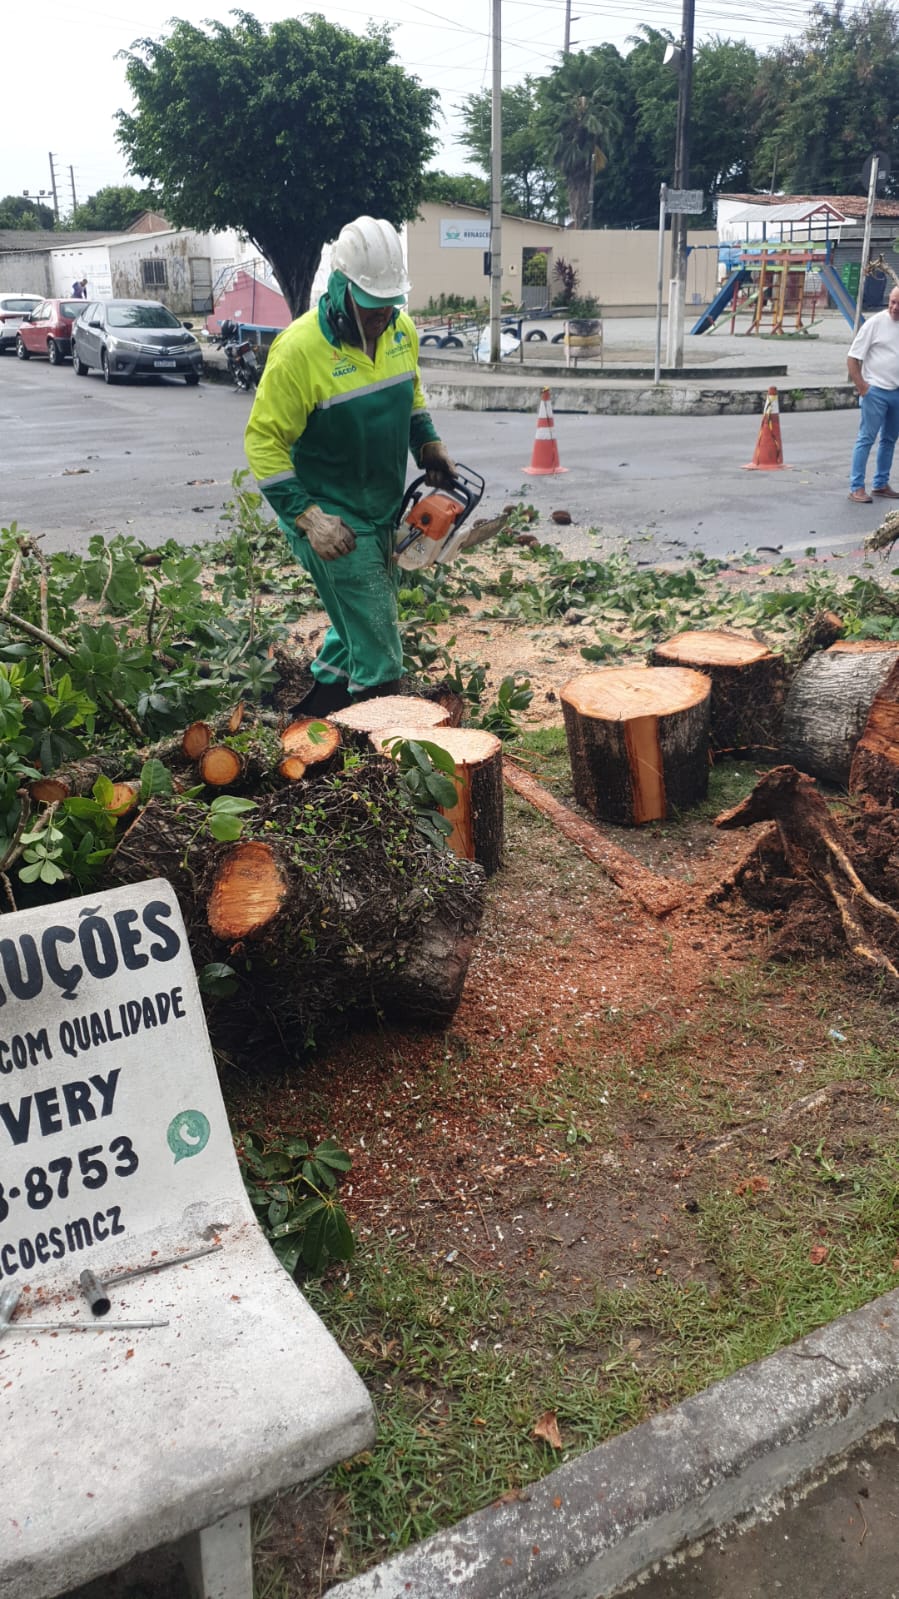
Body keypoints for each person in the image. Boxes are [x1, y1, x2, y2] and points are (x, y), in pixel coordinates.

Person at [244, 216, 457, 715]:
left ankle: (315, 714)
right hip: (330, 515)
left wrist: (426, 442)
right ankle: (381, 755)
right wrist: (307, 516)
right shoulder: (299, 352)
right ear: (341, 289)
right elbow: (263, 442)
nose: (382, 318)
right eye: (372, 307)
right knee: (380, 646)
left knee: (356, 621)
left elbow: (412, 394)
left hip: (383, 505)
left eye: (389, 306)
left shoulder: (401, 332)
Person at [847, 285, 899, 503]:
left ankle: (880, 483)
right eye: (892, 301)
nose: (894, 307)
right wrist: (863, 387)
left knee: (889, 440)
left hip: (896, 391)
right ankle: (856, 487)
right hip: (875, 391)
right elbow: (852, 357)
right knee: (866, 439)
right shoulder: (875, 323)